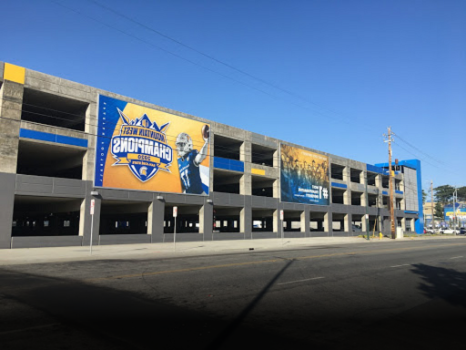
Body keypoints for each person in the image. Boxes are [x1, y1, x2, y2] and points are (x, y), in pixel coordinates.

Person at [175, 130, 209, 194]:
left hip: (199, 194)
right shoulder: (178, 162)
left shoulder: (192, 155)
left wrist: (206, 142)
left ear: (189, 145)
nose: (179, 147)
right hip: (188, 196)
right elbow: (182, 186)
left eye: (182, 144)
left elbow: (202, 156)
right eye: (178, 145)